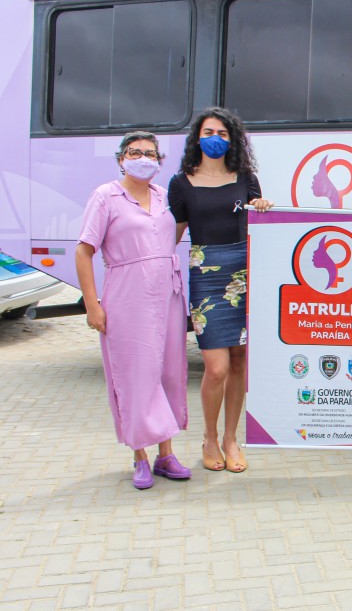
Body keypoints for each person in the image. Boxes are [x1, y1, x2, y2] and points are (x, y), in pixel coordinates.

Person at [76, 132, 190, 490]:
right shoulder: (105, 196)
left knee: (169, 372)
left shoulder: (163, 196)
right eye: (134, 152)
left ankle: (166, 455)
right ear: (121, 158)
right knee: (136, 375)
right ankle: (139, 456)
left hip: (167, 294)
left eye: (150, 153)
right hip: (128, 295)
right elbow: (84, 252)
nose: (143, 158)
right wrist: (93, 304)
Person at [168, 108, 273, 473]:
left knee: (240, 360)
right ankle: (209, 437)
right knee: (216, 367)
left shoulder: (246, 177)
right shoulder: (181, 182)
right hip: (206, 275)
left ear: (233, 140)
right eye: (209, 131)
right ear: (198, 136)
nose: (216, 137)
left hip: (246, 271)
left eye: (224, 133)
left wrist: (262, 207)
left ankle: (231, 438)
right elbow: (173, 235)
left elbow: (261, 223)